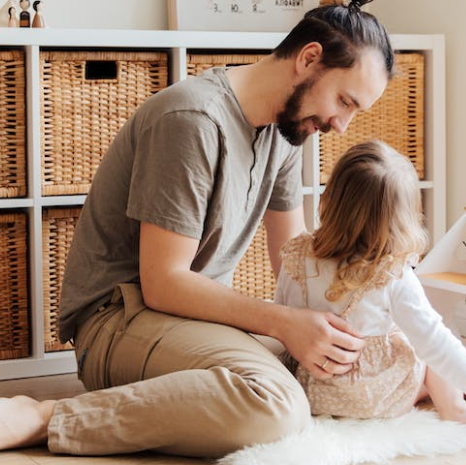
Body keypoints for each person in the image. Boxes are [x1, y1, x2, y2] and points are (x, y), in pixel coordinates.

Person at [0, 0, 394, 458]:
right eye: (344, 101)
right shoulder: (193, 120)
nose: (341, 125)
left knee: (340, 364)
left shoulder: (288, 131)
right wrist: (285, 323)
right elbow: (163, 283)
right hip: (118, 321)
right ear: (308, 59)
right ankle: (49, 417)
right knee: (277, 406)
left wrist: (360, 317)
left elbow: (293, 257)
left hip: (191, 321)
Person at [275, 140, 466, 428]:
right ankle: (454, 407)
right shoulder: (392, 274)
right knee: (425, 343)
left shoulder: (297, 256)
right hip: (374, 398)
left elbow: (281, 314)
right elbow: (435, 342)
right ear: (402, 222)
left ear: (330, 199)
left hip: (312, 390)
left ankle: (425, 392)